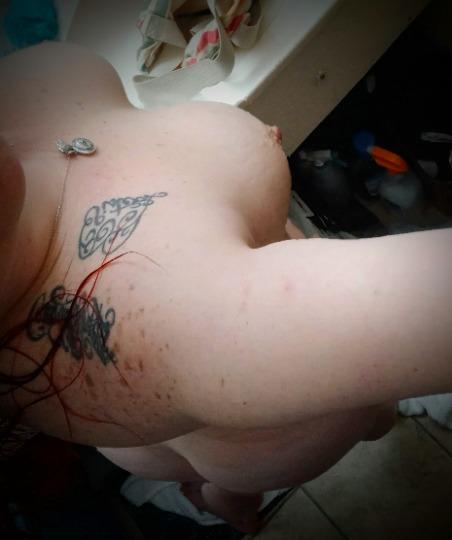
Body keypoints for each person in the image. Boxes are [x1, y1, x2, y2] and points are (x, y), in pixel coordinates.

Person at [0, 42, 451, 533]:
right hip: (264, 425)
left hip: (178, 420)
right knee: (375, 415)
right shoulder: (184, 313)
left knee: (219, 469)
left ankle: (222, 500)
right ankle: (228, 498)